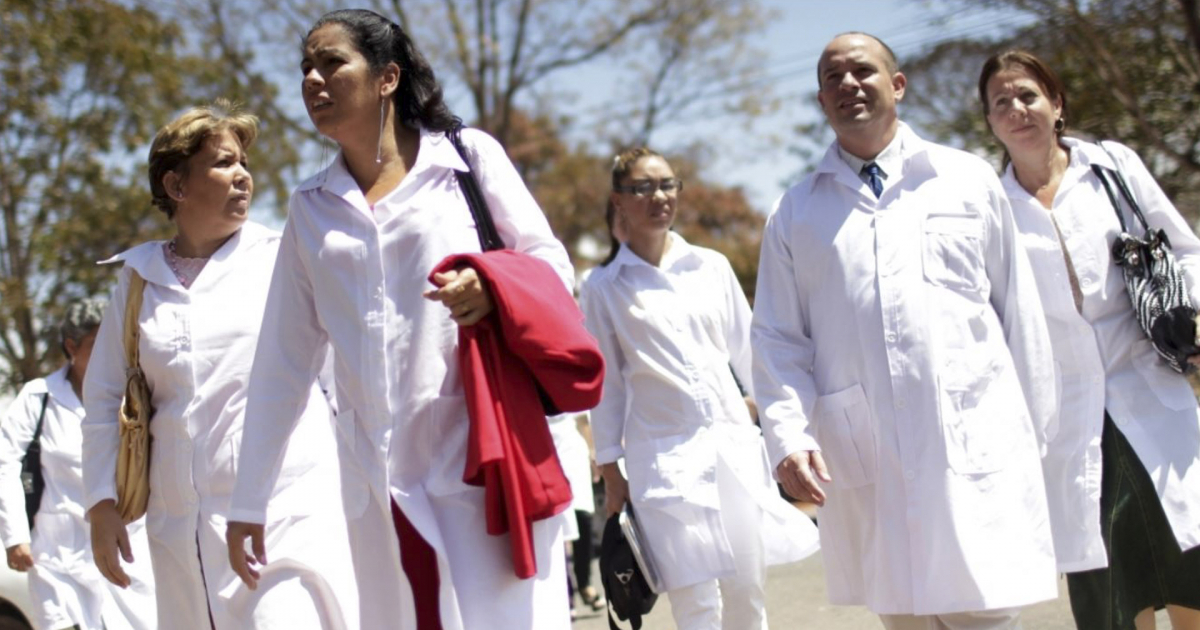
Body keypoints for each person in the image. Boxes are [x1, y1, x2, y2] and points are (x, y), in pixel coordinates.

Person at [224, 9, 575, 630]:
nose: (312, 79)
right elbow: (283, 359)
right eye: (305, 67)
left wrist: (491, 285)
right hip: (377, 483)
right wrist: (249, 499)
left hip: (483, 458)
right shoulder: (311, 207)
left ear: (387, 78)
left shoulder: (468, 159)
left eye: (332, 62)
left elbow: (551, 266)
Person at [752, 33, 1060, 630]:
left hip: (973, 443)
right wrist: (787, 435)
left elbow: (1019, 314)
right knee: (903, 615)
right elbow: (778, 339)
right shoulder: (796, 212)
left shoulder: (966, 180)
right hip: (868, 452)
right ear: (821, 101)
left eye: (862, 71)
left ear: (897, 85)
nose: (848, 84)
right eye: (832, 77)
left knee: (985, 612)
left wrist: (1039, 440)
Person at [82, 100, 357, 629]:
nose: (242, 177)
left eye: (244, 165)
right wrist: (100, 505)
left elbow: (338, 382)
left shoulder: (284, 257)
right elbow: (100, 400)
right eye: (224, 163)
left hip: (287, 508)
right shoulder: (136, 280)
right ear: (177, 186)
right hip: (179, 530)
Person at [979, 50, 1200, 630]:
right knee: (1109, 588)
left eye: (1027, 94)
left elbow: (1185, 250)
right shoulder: (990, 206)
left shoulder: (1111, 166)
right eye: (1000, 102)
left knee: (1188, 563)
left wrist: (1190, 317)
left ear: (1057, 104)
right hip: (1065, 417)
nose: (1016, 109)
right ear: (990, 123)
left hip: (1149, 387)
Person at [583, 147, 819, 630]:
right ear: (619, 201)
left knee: (747, 591)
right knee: (695, 604)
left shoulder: (710, 266)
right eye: (643, 187)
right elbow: (605, 384)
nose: (659, 196)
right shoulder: (604, 286)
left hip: (731, 452)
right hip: (663, 461)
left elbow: (752, 354)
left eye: (668, 184)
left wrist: (784, 432)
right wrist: (611, 470)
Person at [0, 300, 156, 630]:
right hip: (59, 554)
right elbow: (5, 462)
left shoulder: (135, 393)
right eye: (97, 343)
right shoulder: (38, 397)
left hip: (129, 546)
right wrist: (15, 535)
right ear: (72, 346)